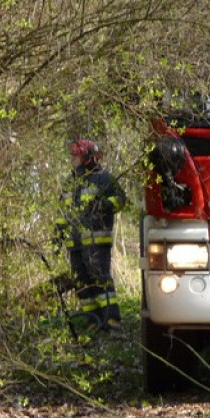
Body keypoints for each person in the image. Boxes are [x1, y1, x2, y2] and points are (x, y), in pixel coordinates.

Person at [58, 139, 126, 333]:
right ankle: (93, 320)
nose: (72, 160)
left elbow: (121, 199)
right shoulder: (71, 181)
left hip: (96, 241)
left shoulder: (104, 178)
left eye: (75, 156)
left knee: (100, 279)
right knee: (81, 281)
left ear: (86, 158)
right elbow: (64, 210)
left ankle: (112, 319)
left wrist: (105, 204)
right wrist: (58, 229)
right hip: (75, 242)